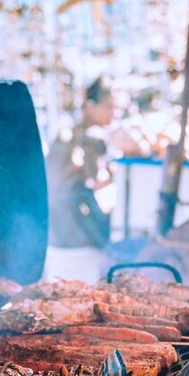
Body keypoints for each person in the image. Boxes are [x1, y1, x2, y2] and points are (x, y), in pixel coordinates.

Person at [44, 78, 117, 283]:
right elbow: (96, 179)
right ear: (90, 106)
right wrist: (113, 173)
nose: (114, 113)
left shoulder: (64, 134)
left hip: (55, 235)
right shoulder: (93, 137)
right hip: (80, 234)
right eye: (109, 106)